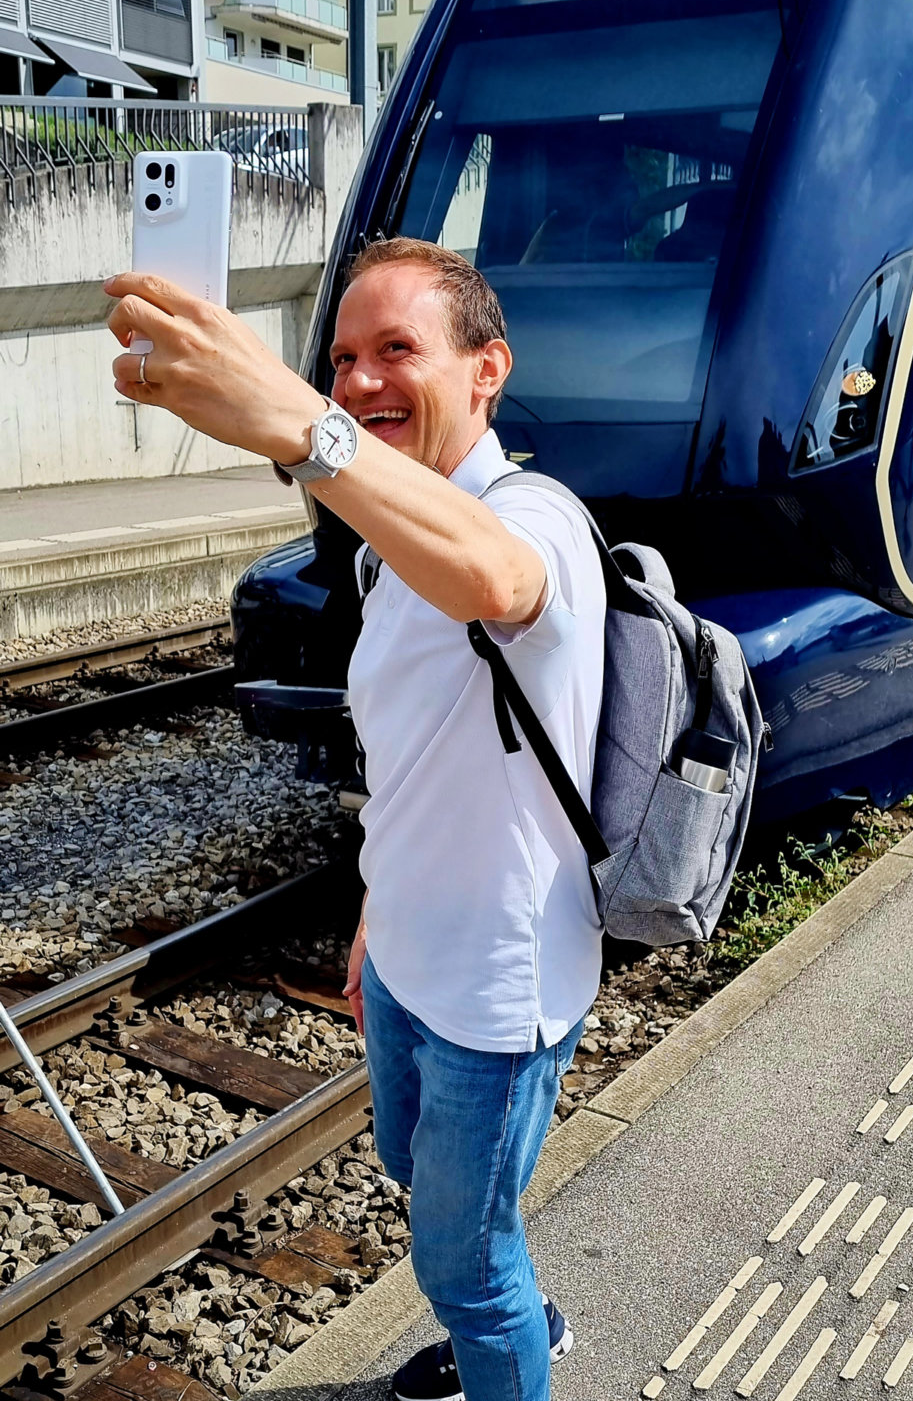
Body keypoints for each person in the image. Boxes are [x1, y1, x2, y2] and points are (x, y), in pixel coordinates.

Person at [104, 237, 606, 1401]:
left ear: (488, 371)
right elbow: (411, 752)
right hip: (406, 959)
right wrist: (378, 903)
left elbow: (500, 582)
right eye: (340, 359)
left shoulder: (536, 520)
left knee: (458, 1257)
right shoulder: (390, 548)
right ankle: (509, 1303)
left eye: (397, 350)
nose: (362, 379)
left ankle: (502, 1323)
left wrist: (298, 426)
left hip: (497, 987)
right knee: (410, 1167)